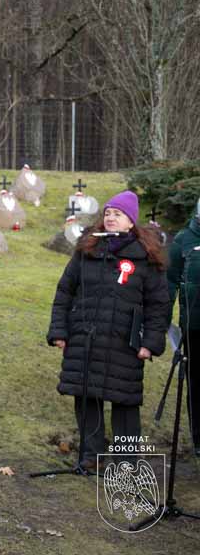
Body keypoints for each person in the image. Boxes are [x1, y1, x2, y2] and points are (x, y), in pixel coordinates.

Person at [47, 191, 168, 471]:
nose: (111, 218)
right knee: (86, 396)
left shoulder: (145, 257)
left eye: (118, 214)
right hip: (85, 336)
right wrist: (59, 331)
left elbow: (158, 304)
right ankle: (92, 458)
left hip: (124, 342)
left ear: (131, 221)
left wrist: (150, 342)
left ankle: (127, 463)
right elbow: (65, 291)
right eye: (108, 213)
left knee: (125, 402)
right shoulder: (87, 250)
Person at [166, 197, 200, 455]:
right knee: (196, 386)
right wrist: (161, 321)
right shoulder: (183, 240)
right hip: (194, 327)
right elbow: (169, 282)